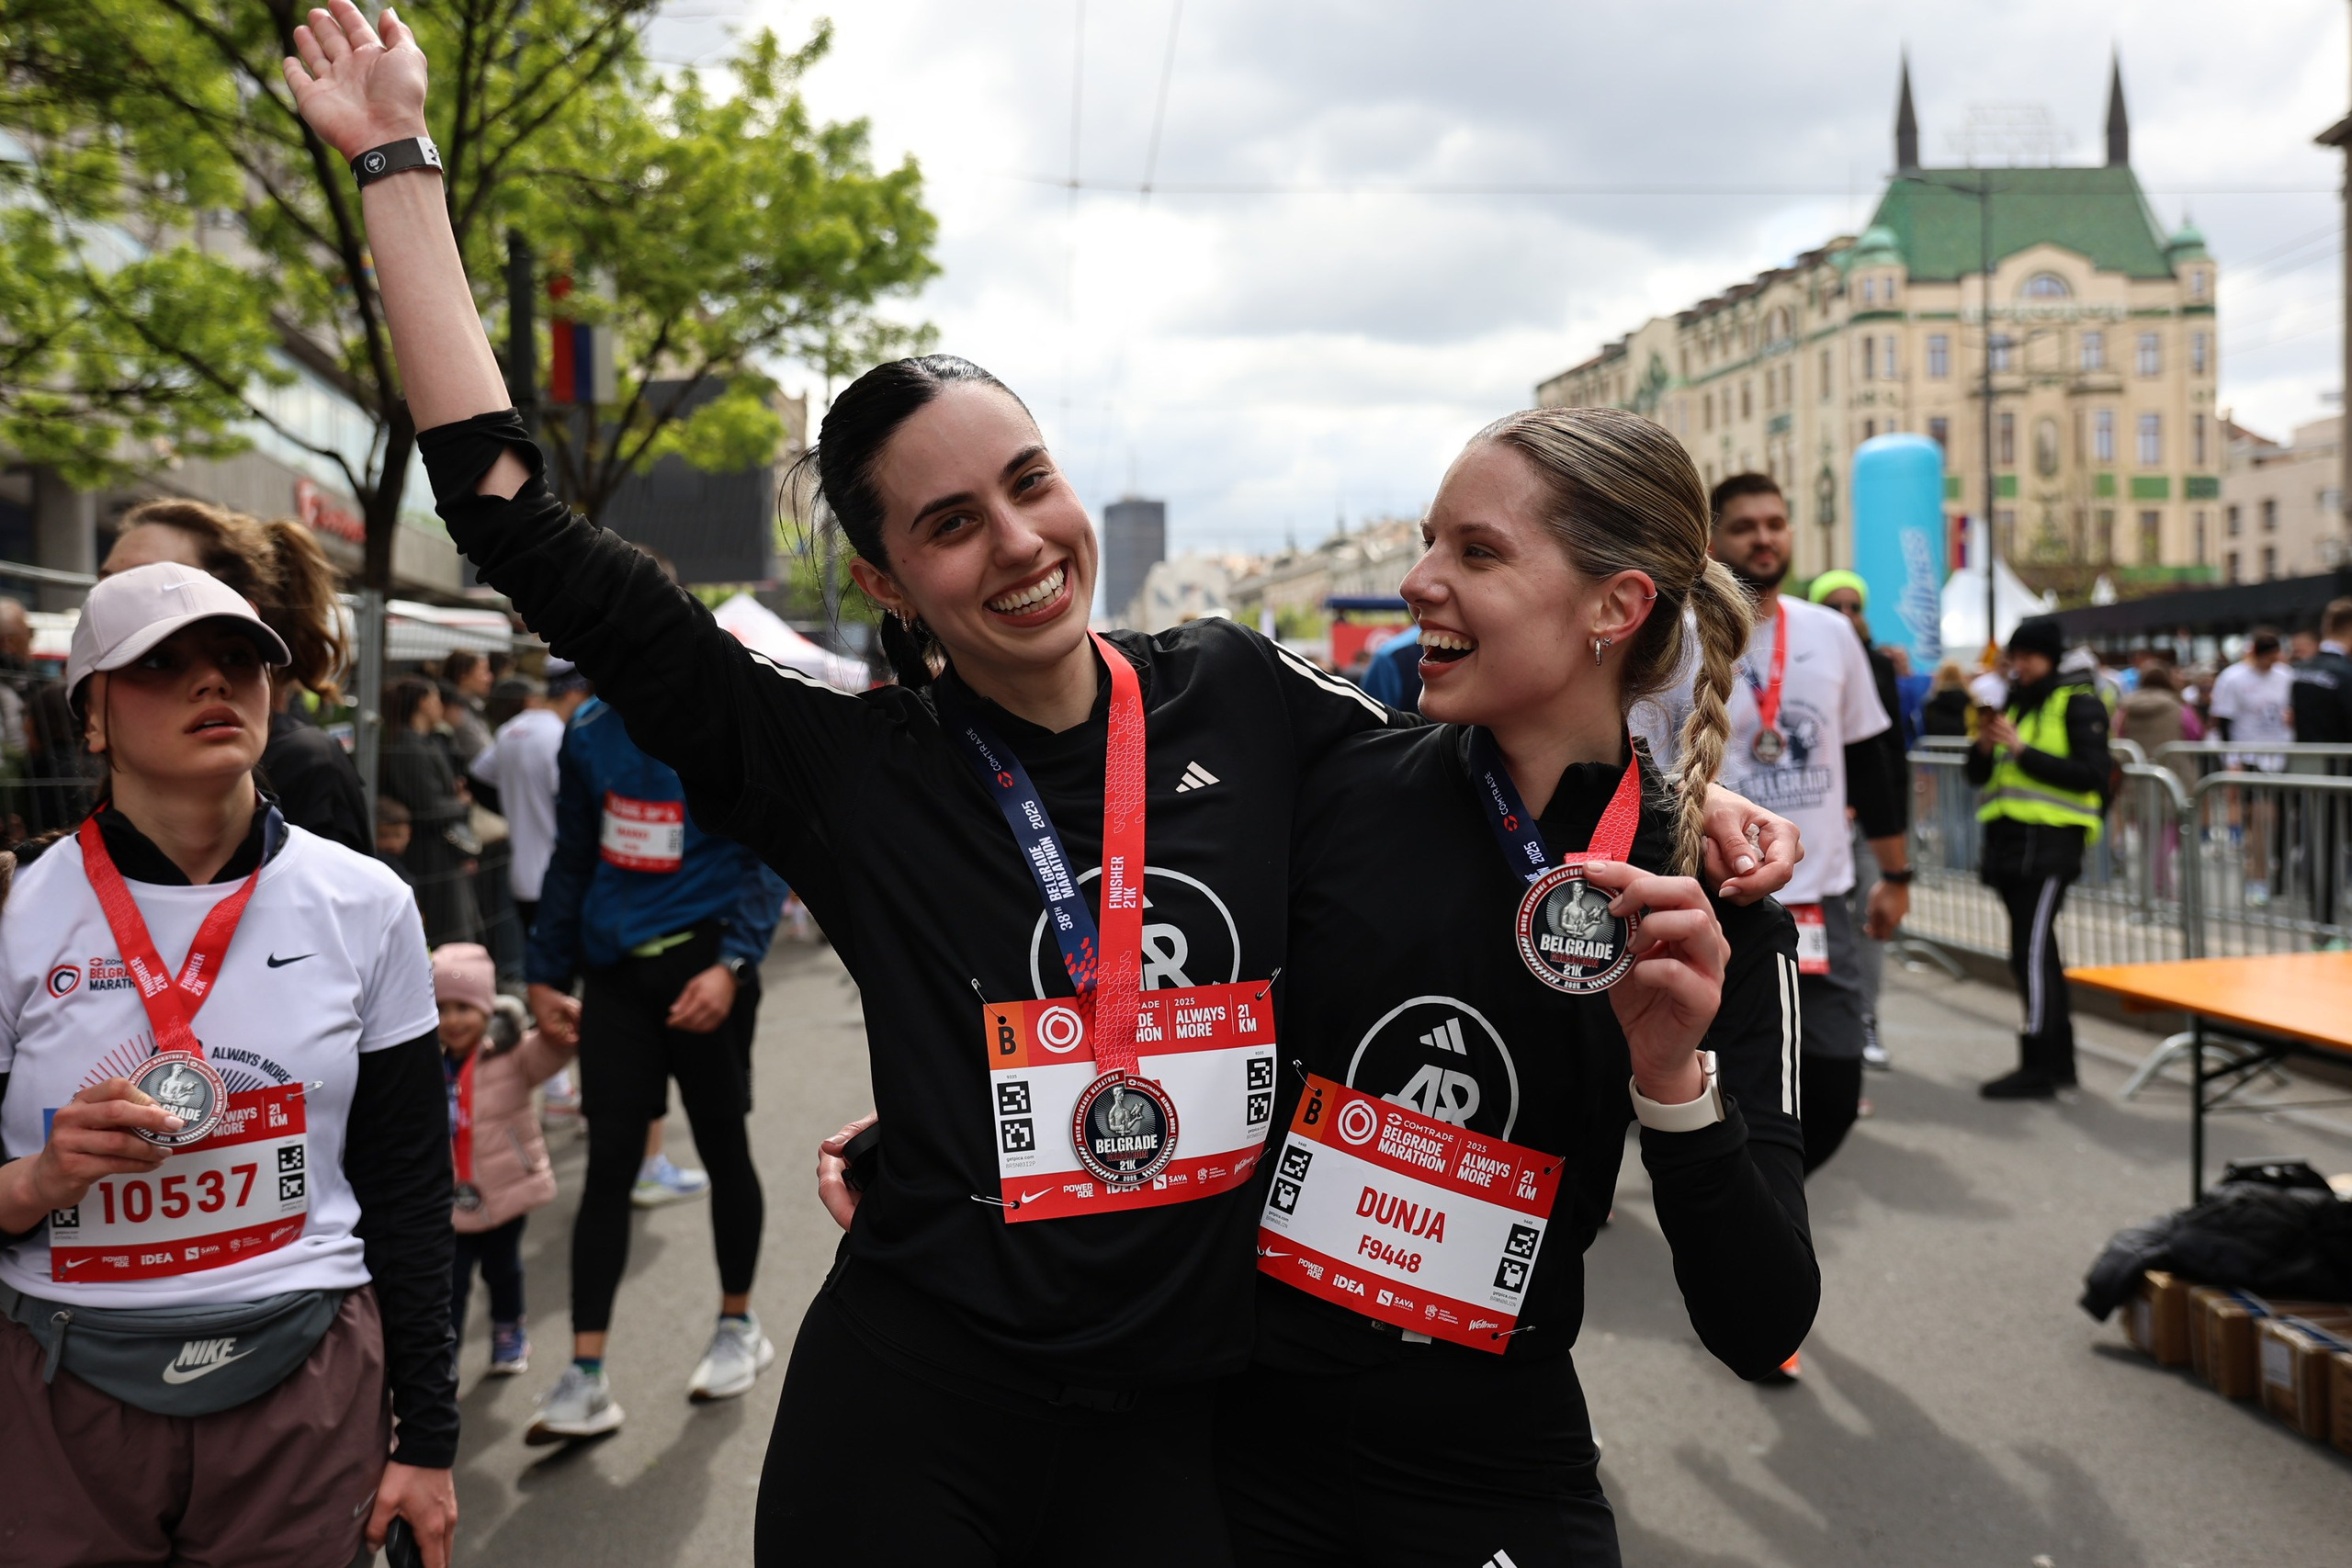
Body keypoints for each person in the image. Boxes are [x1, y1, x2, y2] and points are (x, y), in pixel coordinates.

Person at [282, 13, 1792, 1558]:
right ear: (886, 577)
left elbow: (1509, 752)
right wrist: (398, 163)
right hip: (920, 1404)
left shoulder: (1247, 694)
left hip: (1179, 1426)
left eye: (1028, 481)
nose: (1015, 542)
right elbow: (515, 516)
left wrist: (1702, 810)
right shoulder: (846, 769)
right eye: (949, 525)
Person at [1210, 408, 1815, 1565]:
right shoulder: (1335, 791)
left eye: (1475, 554)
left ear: (1615, 607)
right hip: (1230, 1430)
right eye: (1430, 542)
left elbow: (1762, 1321)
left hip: (1486, 1461)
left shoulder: (1708, 915)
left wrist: (1672, 1082)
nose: (1417, 581)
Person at [0, 561, 455, 1566]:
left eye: (238, 659)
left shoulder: (365, 902)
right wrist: (35, 1181)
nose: (213, 683)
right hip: (65, 1387)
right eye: (161, 665)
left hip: (304, 1379)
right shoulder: (15, 913)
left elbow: (413, 1188)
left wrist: (428, 1440)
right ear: (92, 721)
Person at [519, 683, 788, 1438]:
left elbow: (768, 846)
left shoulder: (724, 715)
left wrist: (734, 962)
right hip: (615, 978)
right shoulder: (590, 728)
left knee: (722, 1147)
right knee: (609, 1165)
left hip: (707, 966)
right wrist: (546, 970)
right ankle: (586, 1375)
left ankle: (739, 1324)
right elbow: (574, 853)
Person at [1637, 475, 1910, 1183]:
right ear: (1711, 543)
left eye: (1777, 523)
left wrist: (1898, 875)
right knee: (1702, 1073)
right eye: (1745, 526)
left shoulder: (1830, 634)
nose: (1765, 537)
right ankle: (1722, 1210)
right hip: (1711, 900)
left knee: (1833, 1086)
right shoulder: (1672, 637)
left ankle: (1755, 1198)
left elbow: (1869, 760)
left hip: (1821, 898)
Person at [100, 499, 370, 853]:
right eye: (104, 586)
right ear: (92, 722)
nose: (110, 605)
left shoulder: (304, 763)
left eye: (154, 583)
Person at [1966, 615, 2112, 1099]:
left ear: (2050, 657)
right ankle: (2060, 1062)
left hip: (2051, 846)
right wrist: (1986, 747)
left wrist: (2023, 750)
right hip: (2010, 845)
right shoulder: (2018, 700)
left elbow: (2092, 773)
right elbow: (1978, 775)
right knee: (2038, 954)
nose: (2019, 666)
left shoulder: (2078, 702)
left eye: (2028, 657)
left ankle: (2037, 1063)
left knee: (2029, 954)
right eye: (2016, 657)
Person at [435, 942, 573, 1378]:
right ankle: (446, 1358)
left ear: (487, 1009)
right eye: (442, 1008)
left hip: (506, 1185)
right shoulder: (426, 1063)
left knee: (503, 1269)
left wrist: (560, 1029)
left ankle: (509, 1329)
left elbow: (552, 1052)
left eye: (465, 1007)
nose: (454, 1020)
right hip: (451, 1197)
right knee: (450, 1285)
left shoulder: (512, 1055)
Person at [1808, 569, 1909, 1071]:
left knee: (1867, 924)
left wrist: (1895, 845)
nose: (1847, 616)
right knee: (1815, 930)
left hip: (1867, 824)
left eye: (1855, 606)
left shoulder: (1879, 665)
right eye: (1836, 606)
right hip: (1810, 824)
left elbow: (1883, 752)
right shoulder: (1792, 650)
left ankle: (1865, 1019)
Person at [469, 660, 592, 942]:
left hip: (523, 877)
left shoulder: (512, 729)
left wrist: (514, 809)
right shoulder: (562, 738)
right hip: (559, 877)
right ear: (574, 693)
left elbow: (476, 778)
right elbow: (575, 807)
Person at [381, 675, 481, 944]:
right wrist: (460, 804)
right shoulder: (409, 747)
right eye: (436, 698)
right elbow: (428, 807)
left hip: (439, 850)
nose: (441, 705)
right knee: (446, 932)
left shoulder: (425, 743)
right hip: (429, 854)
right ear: (423, 703)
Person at [2207, 628, 2296, 906]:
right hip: (2250, 758)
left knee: (2280, 821)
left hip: (2283, 756)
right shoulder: (2233, 678)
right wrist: (2231, 760)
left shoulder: (2286, 676)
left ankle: (2277, 875)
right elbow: (2222, 721)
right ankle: (2257, 878)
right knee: (2259, 820)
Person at [438, 649, 495, 763]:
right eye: (484, 672)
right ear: (463, 676)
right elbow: (480, 752)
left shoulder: (474, 705)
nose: (490, 678)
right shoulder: (453, 711)